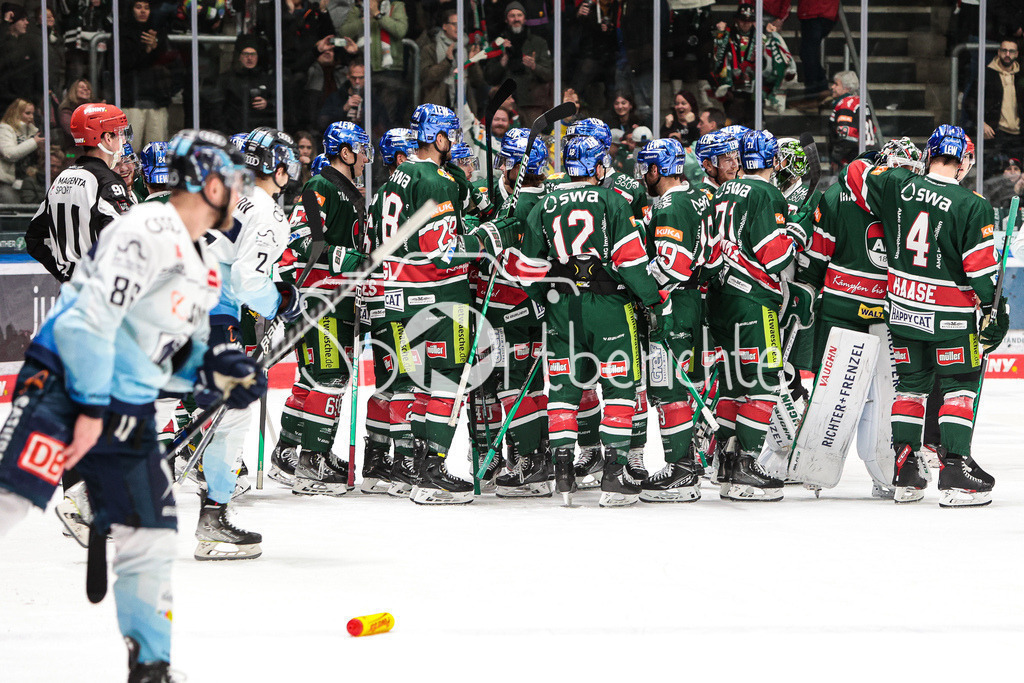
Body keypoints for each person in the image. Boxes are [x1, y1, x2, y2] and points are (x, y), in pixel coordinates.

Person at [0, 128, 264, 681]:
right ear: (207, 184)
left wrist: (218, 371)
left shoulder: (203, 266)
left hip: (128, 408)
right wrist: (93, 412)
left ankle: (150, 664)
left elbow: (174, 352)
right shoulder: (145, 230)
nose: (241, 194)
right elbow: (94, 321)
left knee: (151, 533)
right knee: (11, 501)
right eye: (234, 183)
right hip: (64, 393)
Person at [843, 125, 1004, 507]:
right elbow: (981, 272)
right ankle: (955, 473)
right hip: (950, 318)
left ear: (929, 154)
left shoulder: (897, 184)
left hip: (903, 313)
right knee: (958, 389)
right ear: (963, 161)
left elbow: (854, 171)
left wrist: (879, 159)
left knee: (910, 389)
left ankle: (906, 473)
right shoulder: (972, 203)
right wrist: (997, 311)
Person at [364, 103, 512, 504]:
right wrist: (487, 237)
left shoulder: (395, 178)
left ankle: (421, 466)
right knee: (447, 381)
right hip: (436, 297)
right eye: (451, 135)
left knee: (421, 386)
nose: (456, 143)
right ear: (438, 137)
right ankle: (434, 474)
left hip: (399, 299)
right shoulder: (434, 181)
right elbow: (441, 250)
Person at [513, 134, 670, 507]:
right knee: (619, 386)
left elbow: (528, 269)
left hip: (562, 308)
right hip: (609, 307)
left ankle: (564, 473)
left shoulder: (545, 204)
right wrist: (652, 301)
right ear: (598, 166)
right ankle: (614, 475)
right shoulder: (612, 200)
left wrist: (545, 302)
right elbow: (630, 262)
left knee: (564, 391)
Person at [183, 128, 301, 559]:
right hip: (209, 310)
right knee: (230, 413)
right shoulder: (267, 211)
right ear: (281, 167)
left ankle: (91, 488)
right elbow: (248, 280)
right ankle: (213, 519)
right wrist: (280, 301)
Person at [797, 137, 924, 498]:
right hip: (888, 311)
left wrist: (807, 289)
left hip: (842, 308)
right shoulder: (912, 202)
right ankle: (887, 474)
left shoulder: (837, 195)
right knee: (884, 395)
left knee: (836, 392)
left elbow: (816, 257)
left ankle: (814, 468)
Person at [271, 121, 372, 495]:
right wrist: (352, 259)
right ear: (345, 152)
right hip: (319, 299)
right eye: (360, 150)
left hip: (338, 298)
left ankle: (288, 452)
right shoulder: (321, 186)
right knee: (329, 379)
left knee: (312, 379)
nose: (365, 158)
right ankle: (313, 462)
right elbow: (299, 241)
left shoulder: (351, 192)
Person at [704, 129, 796, 501]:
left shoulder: (722, 191)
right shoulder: (767, 193)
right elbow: (774, 255)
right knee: (763, 381)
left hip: (720, 300)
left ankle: (724, 463)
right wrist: (796, 235)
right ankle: (745, 465)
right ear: (773, 161)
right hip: (753, 301)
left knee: (732, 384)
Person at [635, 137, 710, 502]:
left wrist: (642, 287)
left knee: (669, 387)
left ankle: (681, 469)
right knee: (685, 382)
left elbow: (672, 265)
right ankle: (690, 462)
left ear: (657, 170)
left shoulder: (670, 204)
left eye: (645, 168)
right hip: (694, 300)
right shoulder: (698, 196)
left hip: (673, 304)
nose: (642, 175)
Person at [25, 103, 133, 282]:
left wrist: (65, 276)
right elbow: (125, 241)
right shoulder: (107, 181)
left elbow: (33, 239)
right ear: (107, 137)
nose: (123, 141)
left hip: (70, 293)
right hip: (100, 296)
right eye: (120, 133)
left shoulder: (61, 178)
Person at [338, 0, 410, 135]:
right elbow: (343, 31)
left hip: (390, 68)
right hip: (365, 68)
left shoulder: (396, 5)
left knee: (388, 116)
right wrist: (364, 20)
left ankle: (388, 145)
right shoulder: (358, 8)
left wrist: (377, 14)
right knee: (364, 113)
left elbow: (400, 30)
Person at [483, 1, 554, 123]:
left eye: (519, 15)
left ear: (525, 18)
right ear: (506, 20)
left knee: (532, 139)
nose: (516, 19)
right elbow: (489, 77)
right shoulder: (498, 44)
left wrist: (534, 66)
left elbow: (549, 74)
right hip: (506, 104)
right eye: (512, 15)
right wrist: (503, 60)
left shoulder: (538, 43)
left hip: (532, 102)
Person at [120, 0, 173, 148]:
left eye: (146, 7)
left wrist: (156, 48)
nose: (143, 11)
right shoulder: (122, 33)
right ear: (131, 9)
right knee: (129, 151)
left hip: (157, 103)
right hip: (131, 102)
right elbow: (121, 65)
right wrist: (146, 51)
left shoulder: (159, 34)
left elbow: (171, 65)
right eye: (138, 7)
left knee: (156, 153)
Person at [967, 38, 1023, 171]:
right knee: (995, 172)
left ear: (1016, 54)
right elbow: (969, 102)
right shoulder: (986, 74)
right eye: (1004, 50)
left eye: (1011, 51)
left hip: (1019, 134)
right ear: (998, 52)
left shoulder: (1021, 76)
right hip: (996, 133)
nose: (1007, 54)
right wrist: (981, 122)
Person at [419, 9, 485, 113]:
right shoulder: (431, 48)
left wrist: (473, 62)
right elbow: (427, 78)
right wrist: (447, 61)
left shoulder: (467, 48)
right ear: (444, 26)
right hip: (438, 107)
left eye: (461, 24)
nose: (458, 28)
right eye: (454, 24)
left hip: (464, 108)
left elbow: (478, 81)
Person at [218, 34, 276, 133]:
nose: (250, 58)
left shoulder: (267, 79)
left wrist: (267, 103)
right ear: (239, 57)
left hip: (260, 134)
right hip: (233, 132)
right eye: (246, 54)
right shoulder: (227, 79)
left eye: (253, 54)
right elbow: (219, 109)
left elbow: (277, 103)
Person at [0, 98, 45, 204]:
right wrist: (33, 142)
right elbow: (9, 154)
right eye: (27, 113)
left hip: (27, 181)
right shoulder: (5, 129)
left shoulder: (32, 133)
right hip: (6, 182)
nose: (31, 117)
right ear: (16, 113)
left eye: (33, 114)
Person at [58, 78, 96, 150]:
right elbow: (71, 130)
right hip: (73, 151)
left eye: (88, 88)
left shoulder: (93, 108)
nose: (86, 89)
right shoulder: (66, 109)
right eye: (82, 87)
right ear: (74, 91)